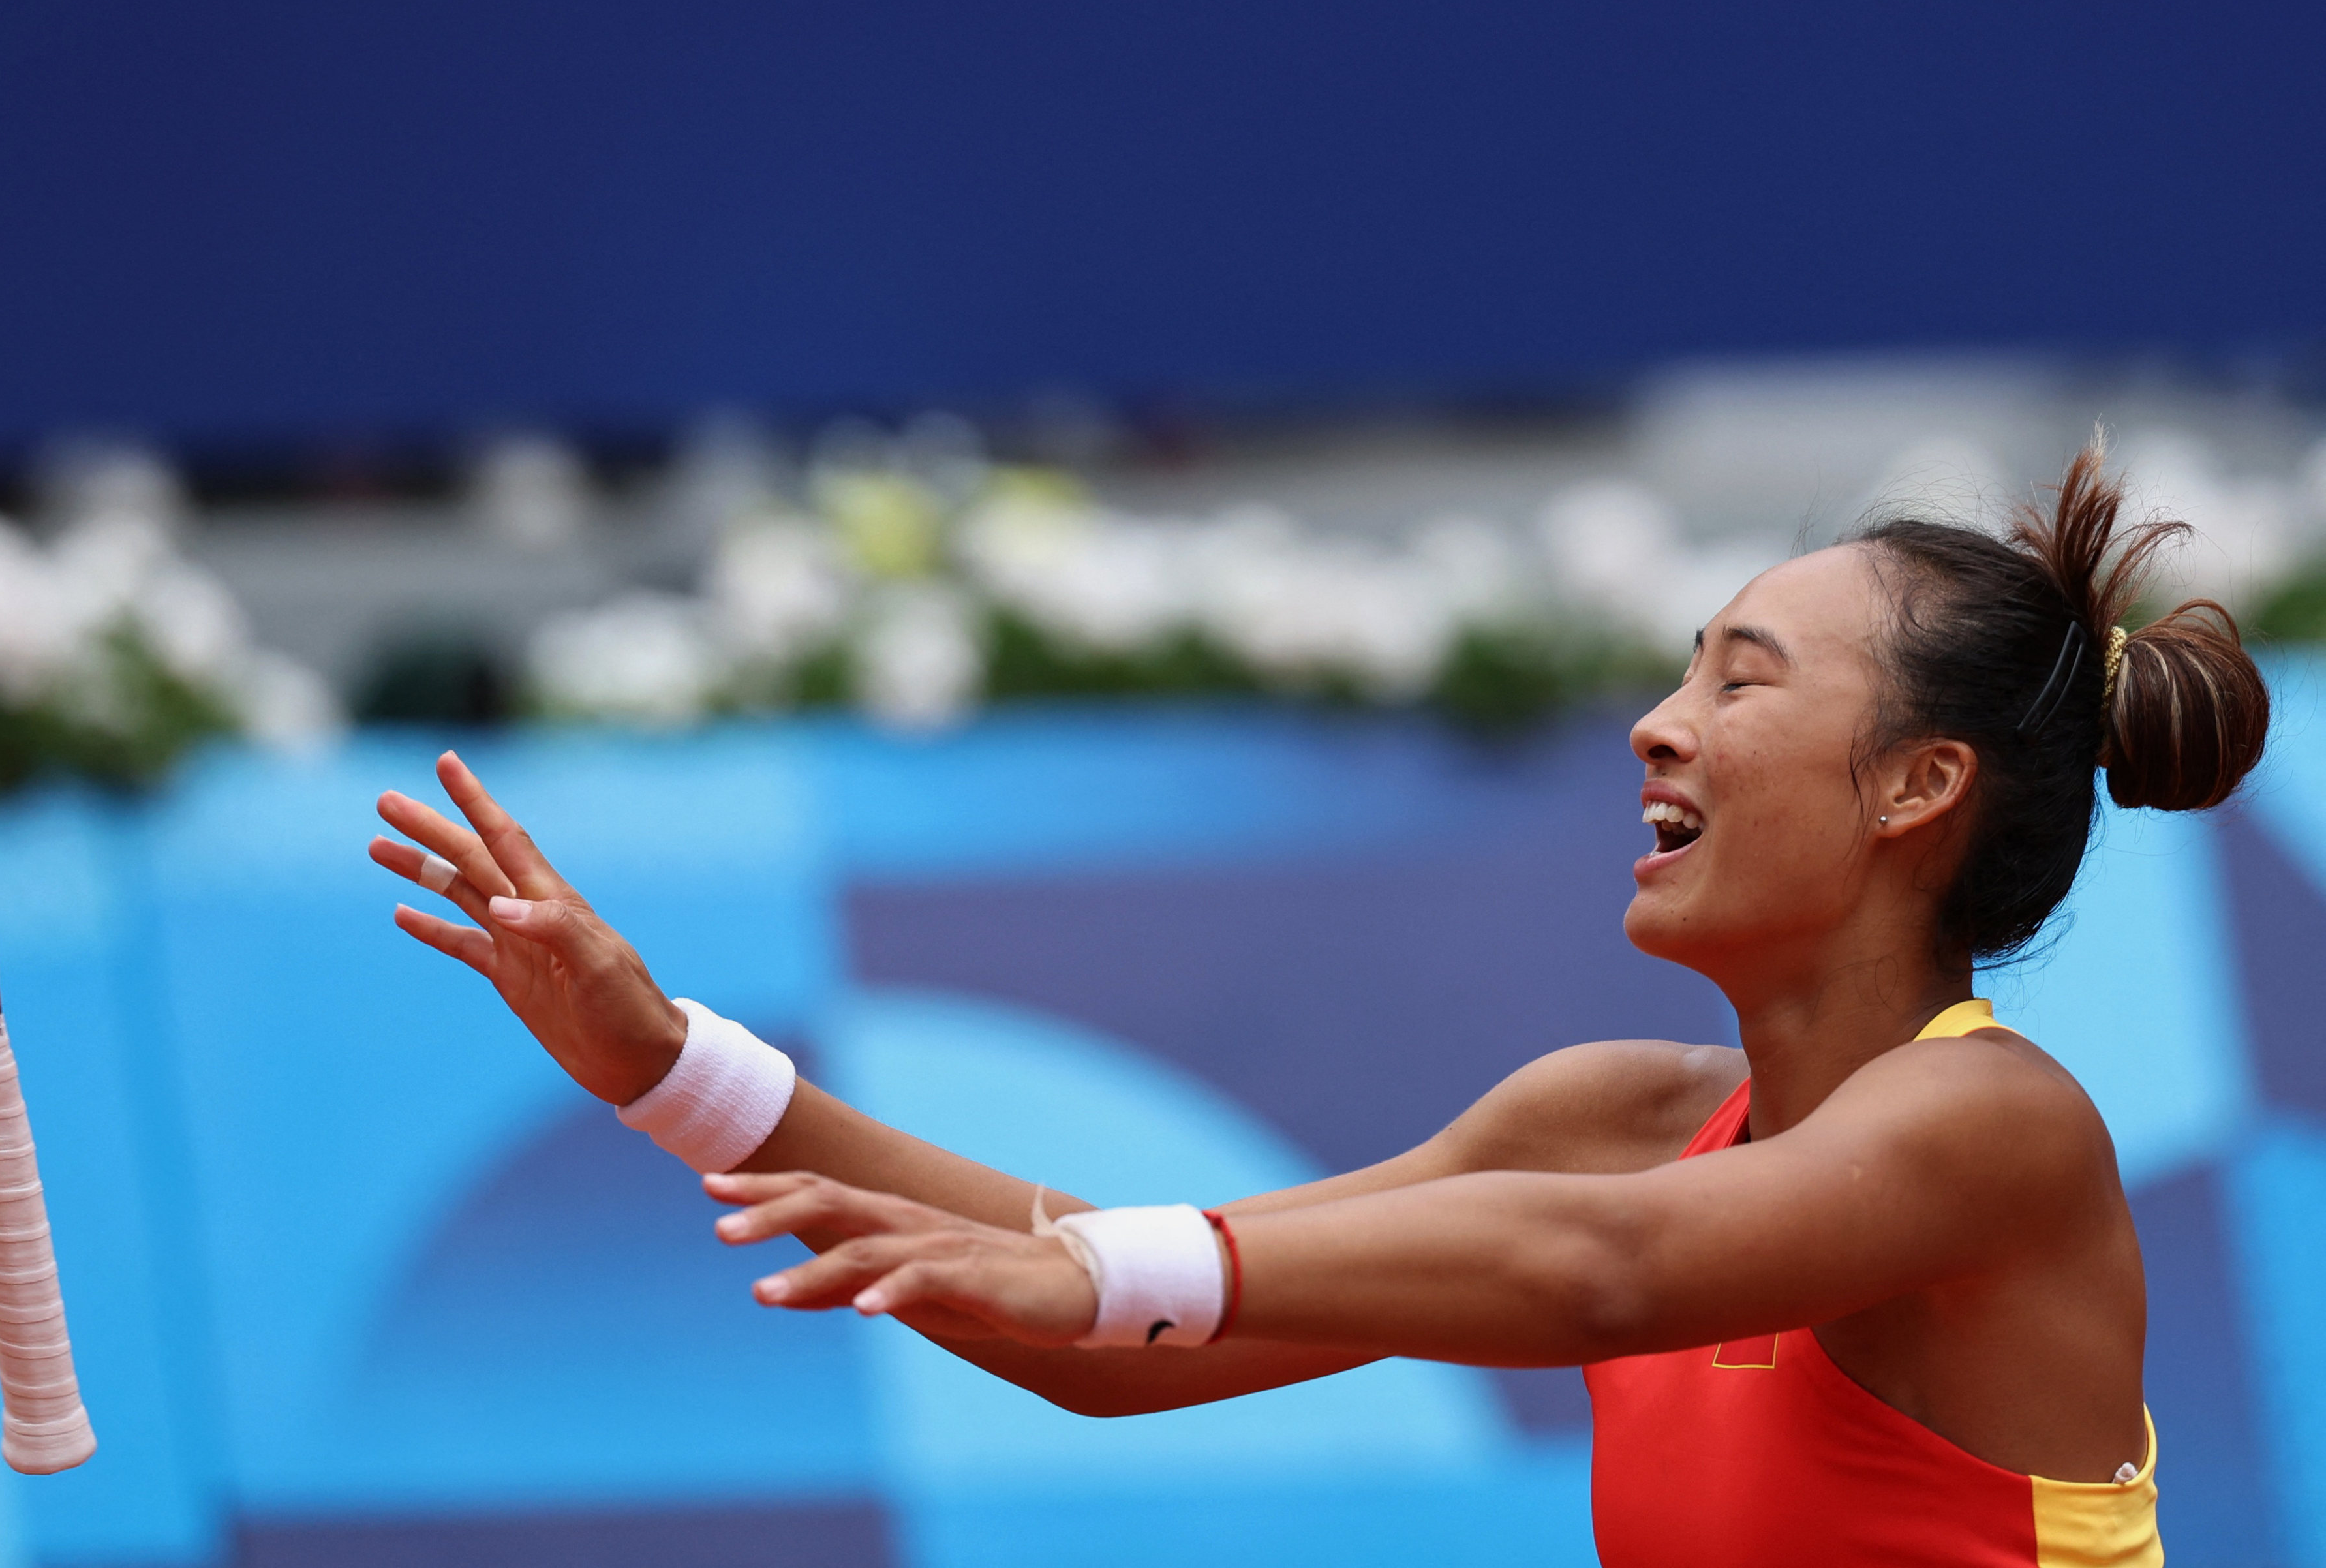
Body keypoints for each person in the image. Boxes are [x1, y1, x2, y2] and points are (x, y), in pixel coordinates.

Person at [369, 447, 2265, 1565]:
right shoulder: (1604, 1121)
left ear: (1915, 789)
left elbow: (1592, 1278)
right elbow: (1109, 1324)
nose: (1659, 723)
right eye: (1683, 669)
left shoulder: (1994, 1130)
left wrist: (1112, 1271)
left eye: (1743, 682)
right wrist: (672, 1071)